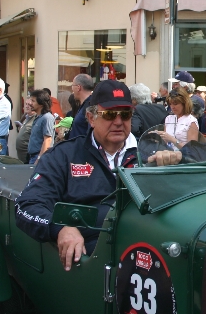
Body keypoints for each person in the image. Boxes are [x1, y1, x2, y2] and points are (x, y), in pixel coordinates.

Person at [15, 80, 138, 271]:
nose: (119, 122)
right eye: (110, 114)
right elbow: (27, 207)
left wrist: (178, 159)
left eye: (126, 114)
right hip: (90, 263)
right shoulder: (64, 155)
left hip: (143, 254)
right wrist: (60, 228)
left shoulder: (147, 156)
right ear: (91, 118)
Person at [27, 90, 55, 165]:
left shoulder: (47, 118)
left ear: (41, 104)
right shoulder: (38, 117)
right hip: (33, 157)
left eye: (33, 101)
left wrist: (39, 159)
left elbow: (47, 140)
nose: (30, 103)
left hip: (39, 158)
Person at [68, 74, 94, 139]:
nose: (72, 90)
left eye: (72, 86)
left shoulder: (89, 106)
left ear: (78, 87)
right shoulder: (85, 105)